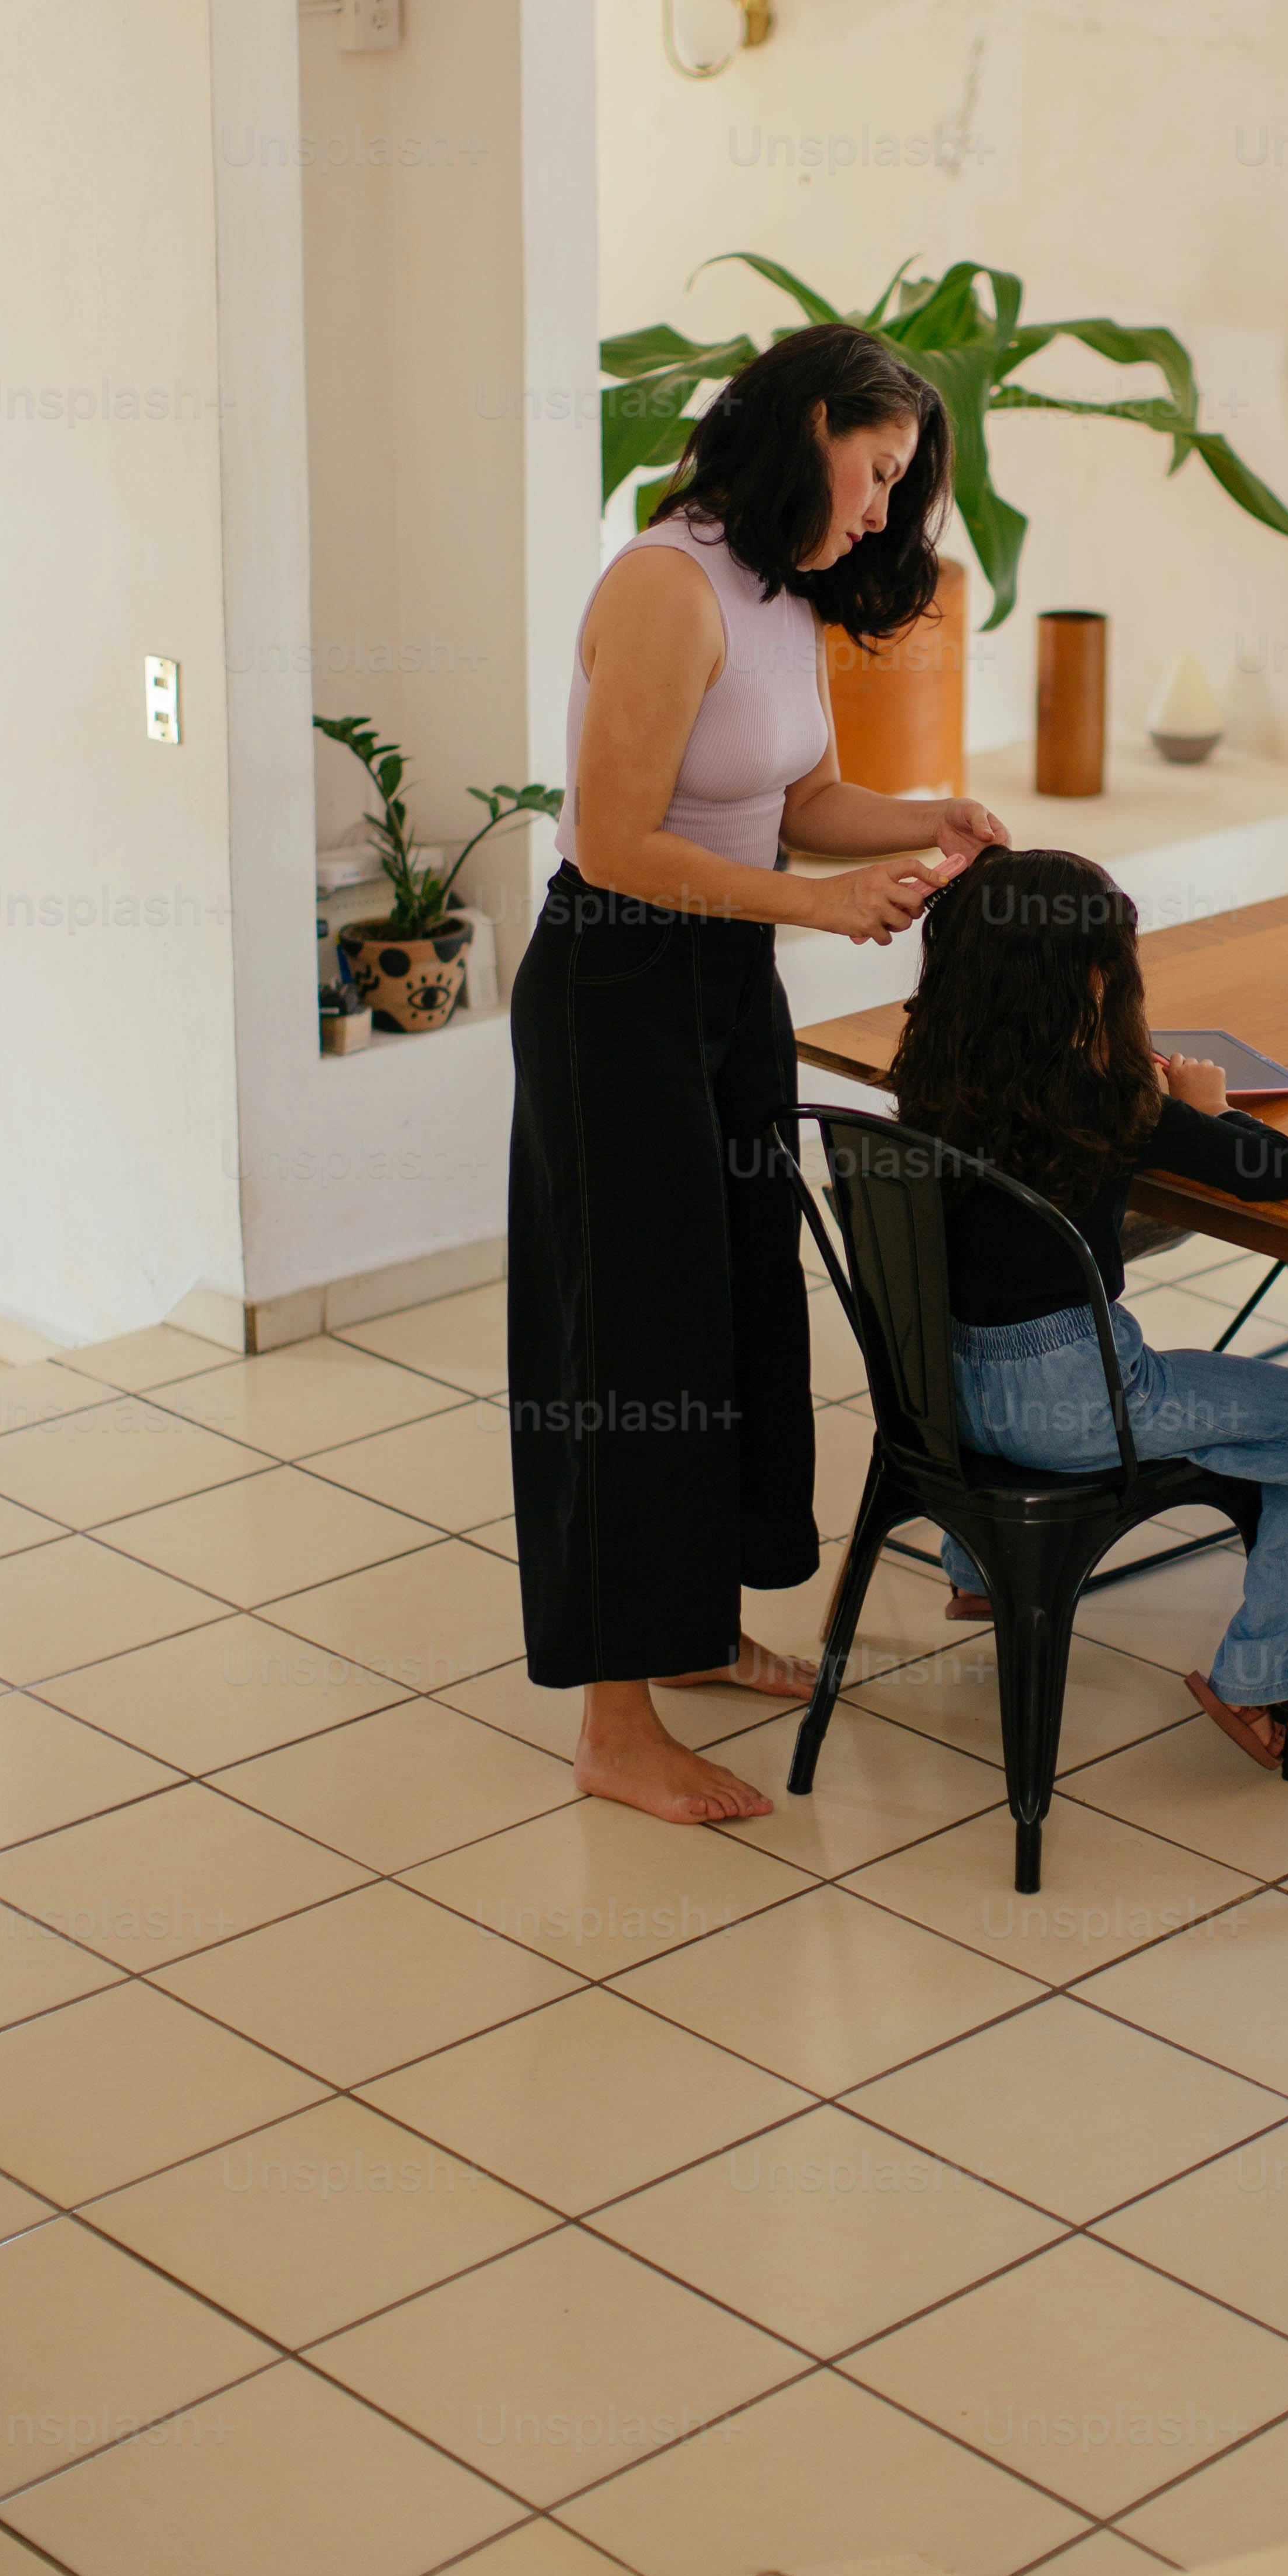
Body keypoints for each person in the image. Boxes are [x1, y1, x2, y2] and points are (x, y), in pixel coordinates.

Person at [509, 324, 1011, 1825]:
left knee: (732, 1311)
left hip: (724, 982)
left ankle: (700, 1627)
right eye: (873, 475)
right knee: (631, 1345)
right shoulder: (665, 586)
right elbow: (614, 843)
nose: (876, 514)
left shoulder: (782, 595)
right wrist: (811, 902)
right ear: (807, 426)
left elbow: (800, 797)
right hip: (614, 981)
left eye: (894, 490)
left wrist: (934, 818)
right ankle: (613, 1722)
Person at [887, 845, 1288, 1766]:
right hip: (1070, 1408)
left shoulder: (930, 1079)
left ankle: (977, 1572)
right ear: (1099, 976)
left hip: (937, 1396)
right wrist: (1209, 1106)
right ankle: (1257, 1683)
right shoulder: (1106, 1098)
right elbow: (1277, 1174)